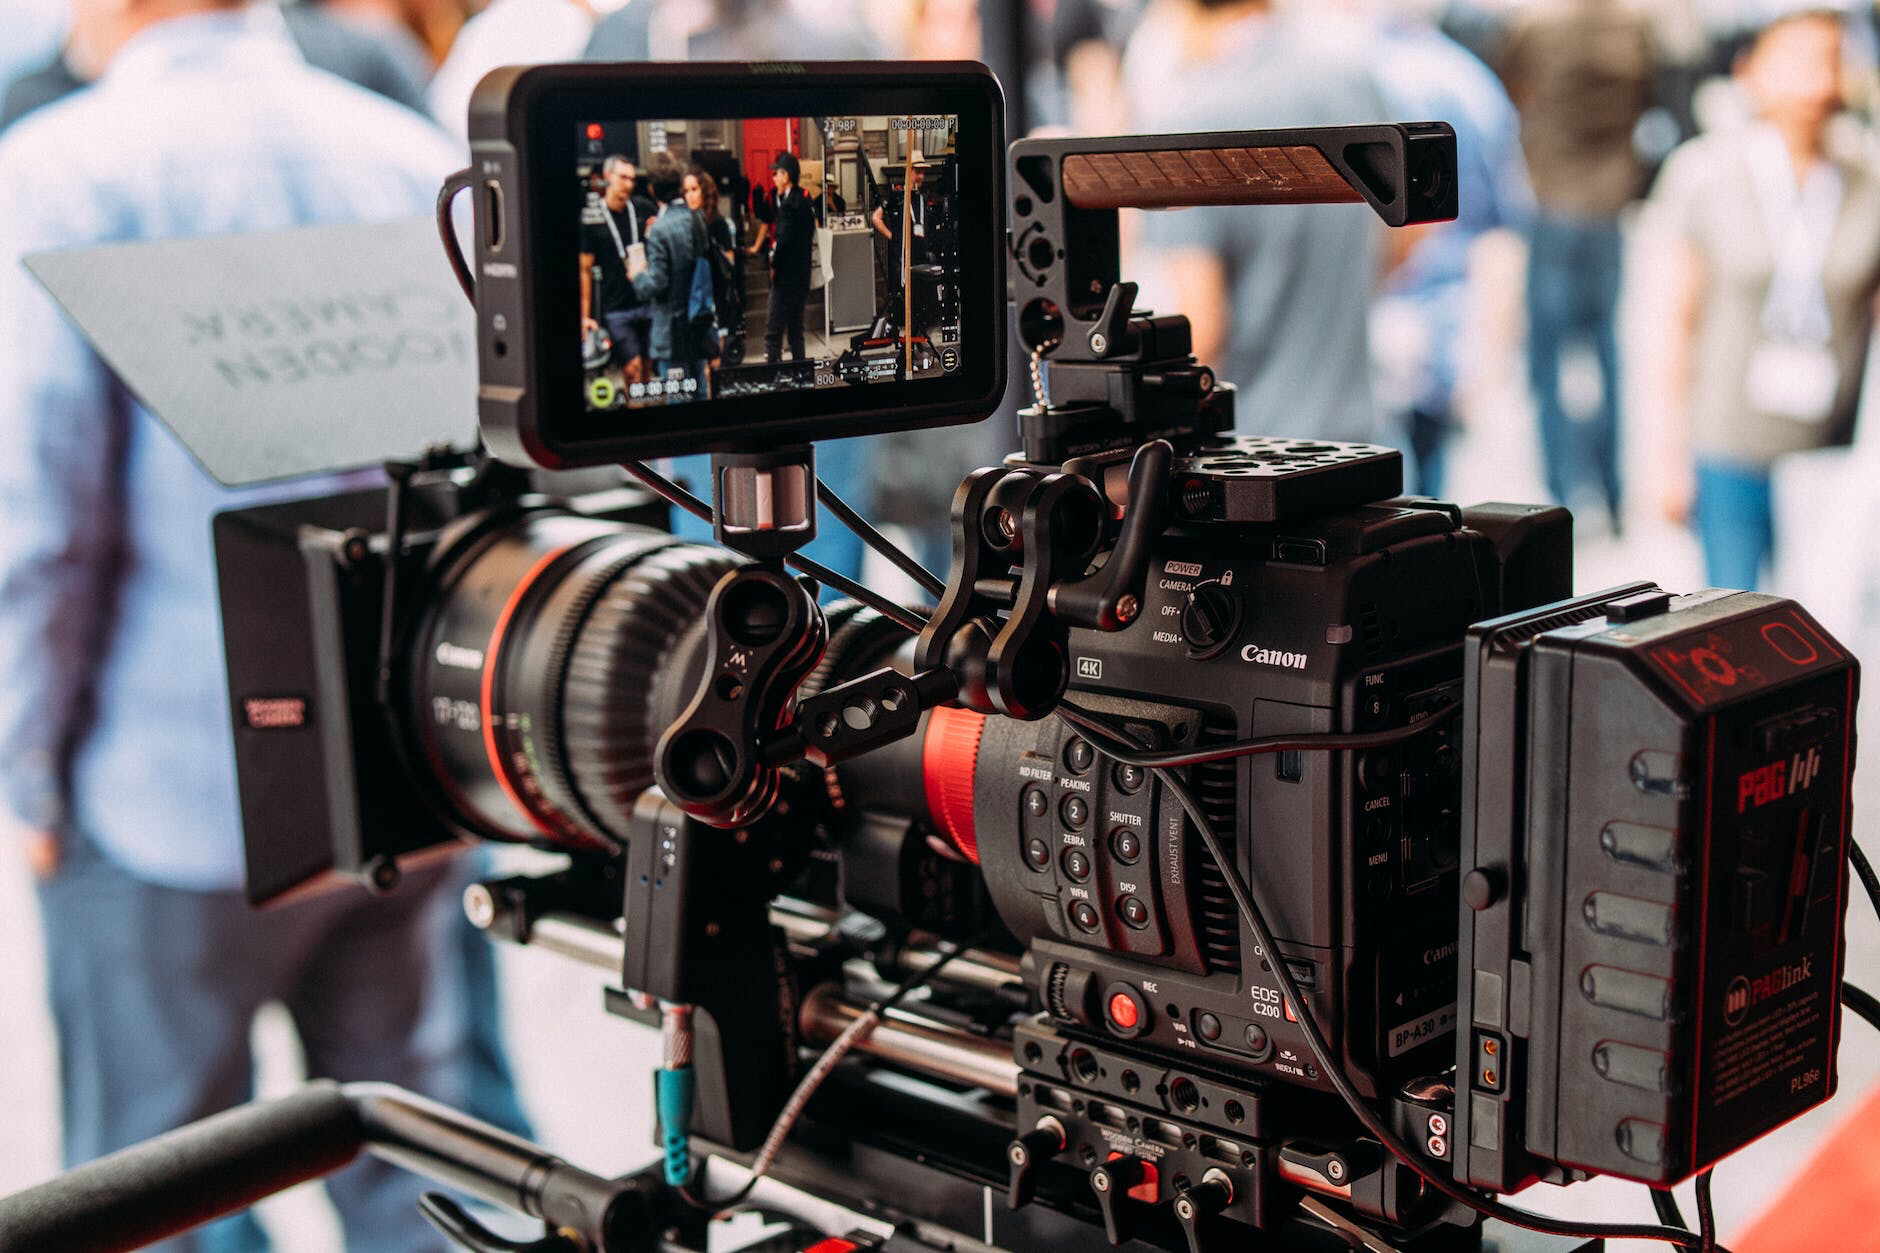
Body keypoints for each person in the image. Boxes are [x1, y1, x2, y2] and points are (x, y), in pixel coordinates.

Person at [0, 2, 519, 1249]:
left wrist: (29, 779)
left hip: (171, 792)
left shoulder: (63, 174)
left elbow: (35, 529)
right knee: (425, 1157)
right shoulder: (398, 154)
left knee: (156, 1187)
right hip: (405, 766)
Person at [1651, 8, 1880, 590]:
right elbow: (1675, 323)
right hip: (1729, 440)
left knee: (1822, 624)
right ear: (1750, 71)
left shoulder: (1867, 181)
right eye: (1798, 61)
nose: (1817, 82)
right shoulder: (1704, 173)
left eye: (1831, 62)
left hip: (1832, 455)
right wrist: (1667, 458)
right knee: (1732, 619)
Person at [1122, 0, 1388, 444]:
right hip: (1365, 443)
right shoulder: (1354, 84)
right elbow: (1411, 228)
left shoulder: (1190, 120)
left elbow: (1201, 330)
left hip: (1258, 455)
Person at [1498, 0, 1655, 532]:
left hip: (1555, 202)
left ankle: (1563, 492)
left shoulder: (1535, 25)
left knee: (1549, 363)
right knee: (1608, 357)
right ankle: (1611, 492)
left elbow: (1511, 91)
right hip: (1609, 202)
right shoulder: (1635, 25)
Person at [581, 155, 660, 391]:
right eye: (622, 177)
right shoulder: (592, 219)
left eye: (632, 179)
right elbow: (584, 270)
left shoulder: (643, 207)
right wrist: (585, 316)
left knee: (647, 366)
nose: (628, 183)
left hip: (646, 300)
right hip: (616, 306)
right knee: (632, 368)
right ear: (608, 178)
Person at [633, 166, 714, 391]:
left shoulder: (660, 229)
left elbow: (656, 283)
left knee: (678, 396)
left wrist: (638, 276)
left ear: (652, 190)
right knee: (699, 390)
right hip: (698, 322)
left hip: (671, 330)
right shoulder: (697, 218)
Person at [763, 149, 815, 365]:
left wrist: (774, 265)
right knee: (796, 330)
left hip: (785, 278)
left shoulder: (787, 206)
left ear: (786, 176)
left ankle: (773, 377)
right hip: (802, 276)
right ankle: (800, 376)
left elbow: (782, 242)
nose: (774, 178)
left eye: (776, 173)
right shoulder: (804, 199)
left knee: (773, 331)